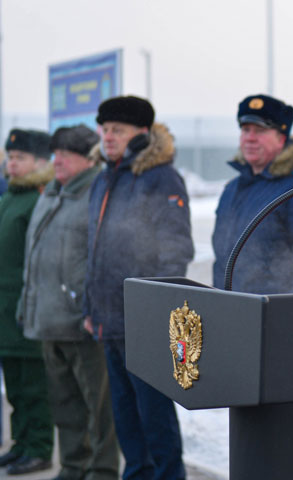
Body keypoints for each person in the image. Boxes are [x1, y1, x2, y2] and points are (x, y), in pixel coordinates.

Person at [84, 96, 194, 479]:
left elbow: (176, 249)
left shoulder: (160, 177)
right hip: (109, 320)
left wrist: (160, 310)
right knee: (125, 417)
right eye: (105, 129)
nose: (108, 137)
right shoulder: (105, 178)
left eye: (118, 130)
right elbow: (95, 251)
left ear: (142, 134)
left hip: (145, 319)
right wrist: (90, 308)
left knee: (154, 416)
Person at [18, 125, 119, 480]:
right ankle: (73, 467)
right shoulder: (50, 192)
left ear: (87, 158)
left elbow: (103, 259)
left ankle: (103, 471)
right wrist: (26, 306)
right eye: (55, 152)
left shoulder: (97, 194)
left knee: (98, 407)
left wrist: (92, 309)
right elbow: (35, 258)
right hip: (47, 318)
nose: (57, 160)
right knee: (64, 404)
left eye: (67, 154)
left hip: (82, 322)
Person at [212, 94, 293, 293]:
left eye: (260, 131)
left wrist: (291, 316)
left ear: (281, 138)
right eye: (245, 130)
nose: (250, 138)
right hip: (231, 310)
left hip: (274, 314)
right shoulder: (233, 188)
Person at [0, 128, 54, 475]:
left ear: (38, 162)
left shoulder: (38, 198)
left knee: (34, 386)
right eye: (10, 157)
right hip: (4, 311)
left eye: (19, 158)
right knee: (16, 387)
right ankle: (20, 443)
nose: (12, 163)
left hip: (25, 310)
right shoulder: (8, 198)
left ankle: (39, 447)